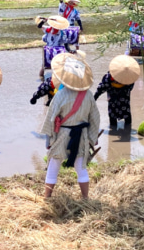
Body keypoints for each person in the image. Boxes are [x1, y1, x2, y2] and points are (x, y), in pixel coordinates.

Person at [40, 53, 100, 199]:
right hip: (82, 135)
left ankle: (47, 197)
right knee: (81, 168)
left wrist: (49, 140)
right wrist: (92, 139)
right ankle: (85, 197)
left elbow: (50, 118)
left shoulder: (60, 95)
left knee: (53, 166)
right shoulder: (89, 95)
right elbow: (95, 118)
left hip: (62, 134)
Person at [94, 55, 140, 131]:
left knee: (112, 120)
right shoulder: (129, 78)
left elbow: (101, 88)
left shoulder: (108, 77)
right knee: (127, 117)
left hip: (112, 101)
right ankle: (127, 132)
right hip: (124, 101)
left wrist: (94, 98)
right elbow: (130, 88)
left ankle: (113, 131)